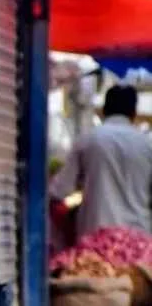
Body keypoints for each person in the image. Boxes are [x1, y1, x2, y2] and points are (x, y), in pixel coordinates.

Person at [50, 84, 152, 237]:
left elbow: (60, 191)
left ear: (104, 110)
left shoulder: (89, 140)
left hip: (95, 238)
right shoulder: (146, 145)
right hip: (138, 240)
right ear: (133, 113)